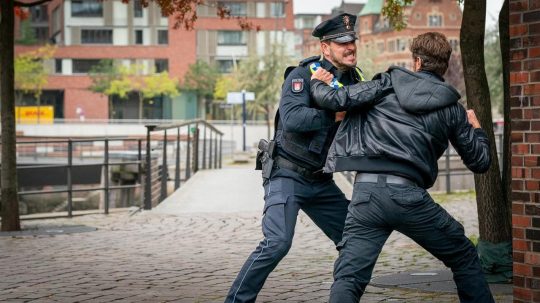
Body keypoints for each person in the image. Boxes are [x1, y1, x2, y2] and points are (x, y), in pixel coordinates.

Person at [309, 32, 495, 302]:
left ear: (417, 61)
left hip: (367, 196)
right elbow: (480, 162)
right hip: (409, 198)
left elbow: (337, 100)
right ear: (443, 65)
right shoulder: (453, 109)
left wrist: (317, 84)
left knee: (349, 277)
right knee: (464, 256)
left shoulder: (384, 84)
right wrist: (477, 131)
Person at [224, 13, 366, 303]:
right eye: (342, 43)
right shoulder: (301, 75)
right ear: (325, 47)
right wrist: (334, 113)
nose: (350, 46)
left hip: (322, 180)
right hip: (287, 174)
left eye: (352, 41)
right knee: (276, 243)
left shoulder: (354, 80)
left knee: (357, 242)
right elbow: (292, 119)